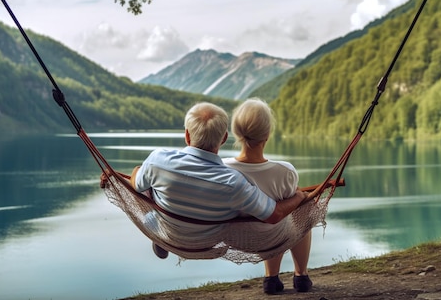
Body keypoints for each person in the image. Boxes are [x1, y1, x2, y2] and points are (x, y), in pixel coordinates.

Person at [101, 102, 308, 259]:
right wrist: (300, 196)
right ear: (224, 138)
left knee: (148, 190)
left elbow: (135, 183)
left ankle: (161, 239)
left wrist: (124, 174)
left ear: (187, 136)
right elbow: (274, 214)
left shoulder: (159, 161)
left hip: (167, 229)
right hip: (206, 241)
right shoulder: (234, 182)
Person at [223, 98, 313, 294]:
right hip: (272, 235)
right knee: (302, 211)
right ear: (267, 134)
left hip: (235, 237)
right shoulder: (285, 171)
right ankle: (301, 275)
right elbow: (290, 210)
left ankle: (271, 279)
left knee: (280, 216)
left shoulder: (221, 168)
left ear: (236, 132)